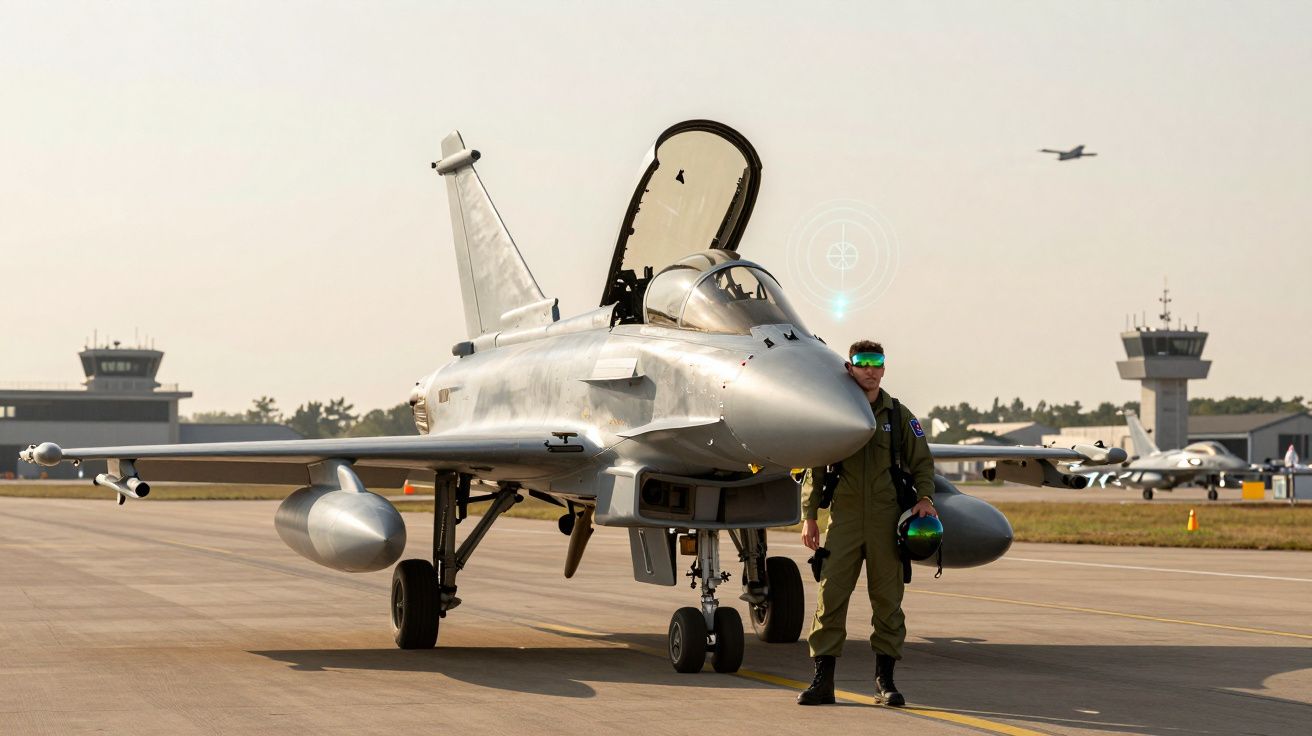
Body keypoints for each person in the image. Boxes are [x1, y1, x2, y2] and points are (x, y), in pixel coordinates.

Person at [796, 340, 938, 707]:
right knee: (830, 601)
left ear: (884, 369)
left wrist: (925, 499)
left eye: (877, 363)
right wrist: (809, 517)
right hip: (842, 521)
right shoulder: (833, 412)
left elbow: (922, 462)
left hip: (885, 521)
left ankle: (884, 683)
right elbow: (815, 466)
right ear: (850, 368)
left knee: (888, 603)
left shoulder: (899, 416)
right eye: (863, 364)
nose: (870, 370)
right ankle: (822, 681)